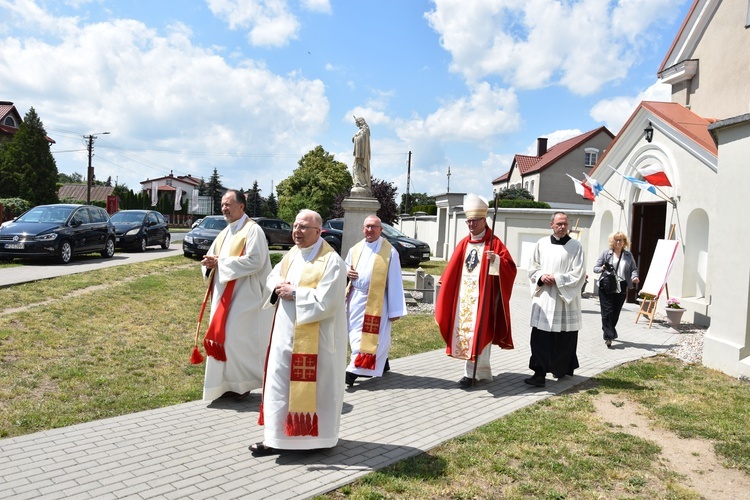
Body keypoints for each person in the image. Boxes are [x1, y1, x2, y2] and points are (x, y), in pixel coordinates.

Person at [250, 209, 348, 456]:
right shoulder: (293, 254)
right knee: (279, 385)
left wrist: (296, 293)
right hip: (284, 336)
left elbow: (329, 301)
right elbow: (273, 277)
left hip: (317, 342)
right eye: (295, 226)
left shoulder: (332, 261)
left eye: (304, 227)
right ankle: (274, 438)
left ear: (318, 231)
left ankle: (315, 440)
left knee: (316, 388)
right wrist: (278, 287)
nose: (297, 231)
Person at [435, 194, 517, 387]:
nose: (471, 225)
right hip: (464, 298)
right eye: (468, 222)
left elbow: (510, 268)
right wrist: (444, 281)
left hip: (484, 299)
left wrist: (496, 260)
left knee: (481, 334)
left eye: (474, 221)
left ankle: (476, 372)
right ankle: (473, 372)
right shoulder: (464, 243)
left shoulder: (494, 243)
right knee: (467, 333)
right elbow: (453, 267)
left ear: (484, 220)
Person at [200, 190, 273, 401]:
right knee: (224, 339)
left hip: (246, 296)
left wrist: (220, 263)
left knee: (236, 340)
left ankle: (243, 385)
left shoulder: (253, 230)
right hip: (224, 296)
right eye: (222, 204)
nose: (224, 208)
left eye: (228, 204)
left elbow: (256, 261)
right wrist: (208, 264)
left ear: (241, 206)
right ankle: (224, 385)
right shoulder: (225, 232)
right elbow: (214, 257)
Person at [525, 212, 586, 388]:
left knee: (564, 338)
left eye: (565, 224)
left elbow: (579, 273)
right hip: (545, 299)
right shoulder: (541, 244)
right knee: (540, 338)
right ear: (551, 224)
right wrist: (541, 276)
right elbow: (532, 268)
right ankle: (539, 373)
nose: (562, 227)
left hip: (564, 301)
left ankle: (562, 369)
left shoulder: (576, 246)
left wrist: (557, 279)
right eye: (559, 224)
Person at [344, 215, 407, 387]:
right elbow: (346, 266)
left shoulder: (389, 252)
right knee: (354, 334)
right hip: (356, 298)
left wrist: (395, 310)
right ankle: (383, 362)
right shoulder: (355, 249)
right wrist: (347, 273)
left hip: (378, 302)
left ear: (381, 229)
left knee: (368, 337)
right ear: (363, 229)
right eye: (367, 227)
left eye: (373, 227)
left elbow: (395, 281)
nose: (370, 230)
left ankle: (353, 371)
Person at [593, 232, 639, 348]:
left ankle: (608, 330)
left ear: (624, 242)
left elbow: (633, 268)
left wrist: (635, 277)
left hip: (622, 285)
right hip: (607, 285)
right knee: (607, 311)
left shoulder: (628, 255)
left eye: (621, 240)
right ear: (612, 241)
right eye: (616, 240)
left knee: (616, 312)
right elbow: (595, 268)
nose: (618, 242)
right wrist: (602, 268)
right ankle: (609, 336)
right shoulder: (606, 254)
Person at [351, 116, 371, 195]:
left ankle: (361, 183)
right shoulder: (362, 130)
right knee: (355, 168)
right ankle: (357, 182)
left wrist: (355, 137)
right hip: (358, 154)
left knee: (358, 168)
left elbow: (362, 139)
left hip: (361, 155)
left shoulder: (365, 130)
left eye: (357, 123)